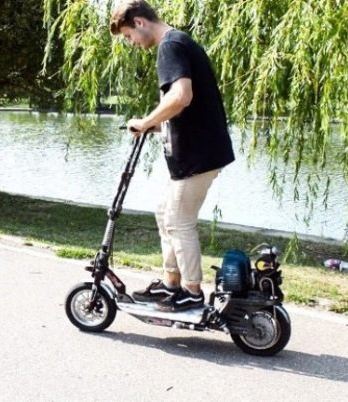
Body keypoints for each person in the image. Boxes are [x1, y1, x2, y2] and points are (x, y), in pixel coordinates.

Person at [110, 0, 235, 311]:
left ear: (140, 22)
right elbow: (186, 109)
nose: (132, 43)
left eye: (128, 35)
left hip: (197, 157)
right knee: (164, 212)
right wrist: (153, 126)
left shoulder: (170, 46)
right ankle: (171, 284)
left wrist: (146, 121)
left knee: (179, 222)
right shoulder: (179, 42)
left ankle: (192, 292)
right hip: (196, 153)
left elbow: (181, 97)